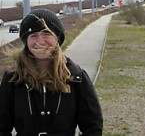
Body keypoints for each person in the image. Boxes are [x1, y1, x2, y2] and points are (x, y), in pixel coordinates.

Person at [0, 8, 103, 136]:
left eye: (46, 34)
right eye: (33, 35)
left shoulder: (76, 77)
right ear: (26, 41)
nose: (40, 41)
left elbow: (93, 127)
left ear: (57, 39)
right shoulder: (13, 79)